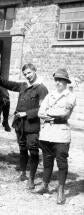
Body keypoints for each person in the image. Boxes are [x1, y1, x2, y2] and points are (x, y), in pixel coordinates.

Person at [0, 63, 48, 189]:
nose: (27, 76)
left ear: (35, 71)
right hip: (19, 125)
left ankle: (32, 179)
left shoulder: (41, 88)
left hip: (32, 125)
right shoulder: (23, 86)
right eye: (25, 74)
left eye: (29, 73)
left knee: (33, 151)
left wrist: (27, 113)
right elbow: (9, 84)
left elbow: (43, 109)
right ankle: (23, 173)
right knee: (22, 148)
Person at [36, 68, 76, 204]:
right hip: (47, 133)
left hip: (61, 134)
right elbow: (40, 112)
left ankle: (61, 191)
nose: (58, 82)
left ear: (66, 82)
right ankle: (45, 185)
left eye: (61, 80)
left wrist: (49, 114)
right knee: (47, 161)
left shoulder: (70, 96)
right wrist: (51, 114)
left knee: (61, 162)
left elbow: (65, 114)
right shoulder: (50, 95)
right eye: (56, 80)